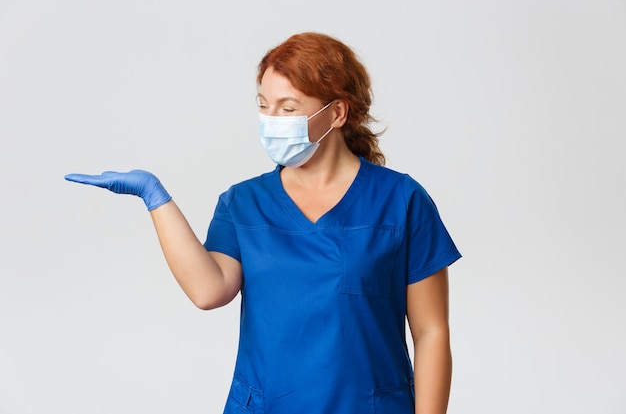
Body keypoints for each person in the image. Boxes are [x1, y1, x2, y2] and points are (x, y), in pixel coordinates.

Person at [65, 32, 461, 414]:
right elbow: (209, 291)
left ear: (337, 112)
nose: (272, 120)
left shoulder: (401, 201)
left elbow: (431, 333)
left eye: (288, 109)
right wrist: (155, 197)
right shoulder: (244, 203)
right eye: (264, 105)